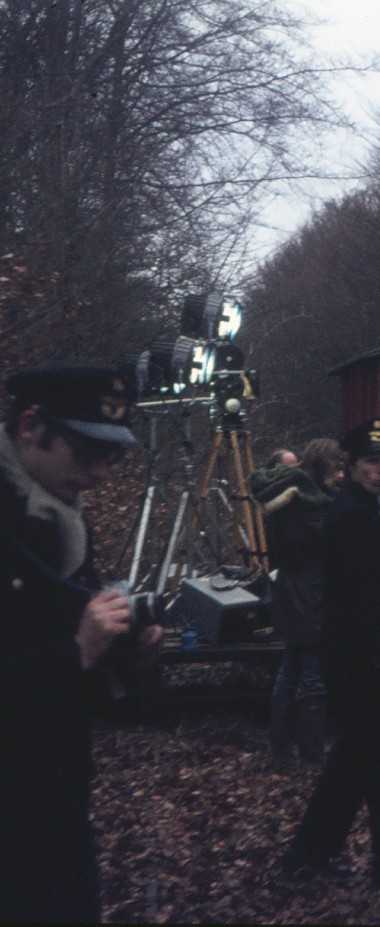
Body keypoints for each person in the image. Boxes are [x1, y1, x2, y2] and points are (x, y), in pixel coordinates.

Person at [0, 365, 161, 922]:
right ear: (29, 426)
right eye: (86, 452)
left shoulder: (61, 520)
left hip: (54, 798)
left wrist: (127, 658)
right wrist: (77, 651)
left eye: (111, 458)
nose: (98, 474)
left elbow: (81, 679)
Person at [282, 419, 380, 890]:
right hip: (364, 663)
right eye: (371, 461)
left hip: (360, 658)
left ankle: (308, 853)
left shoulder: (370, 509)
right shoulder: (353, 515)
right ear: (349, 466)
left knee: (353, 761)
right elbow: (362, 602)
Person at [252, 437, 345, 765]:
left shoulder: (291, 497)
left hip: (290, 592)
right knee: (311, 677)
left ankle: (280, 748)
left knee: (290, 671)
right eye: (336, 468)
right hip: (311, 594)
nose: (341, 475)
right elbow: (328, 545)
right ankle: (311, 752)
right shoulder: (312, 503)